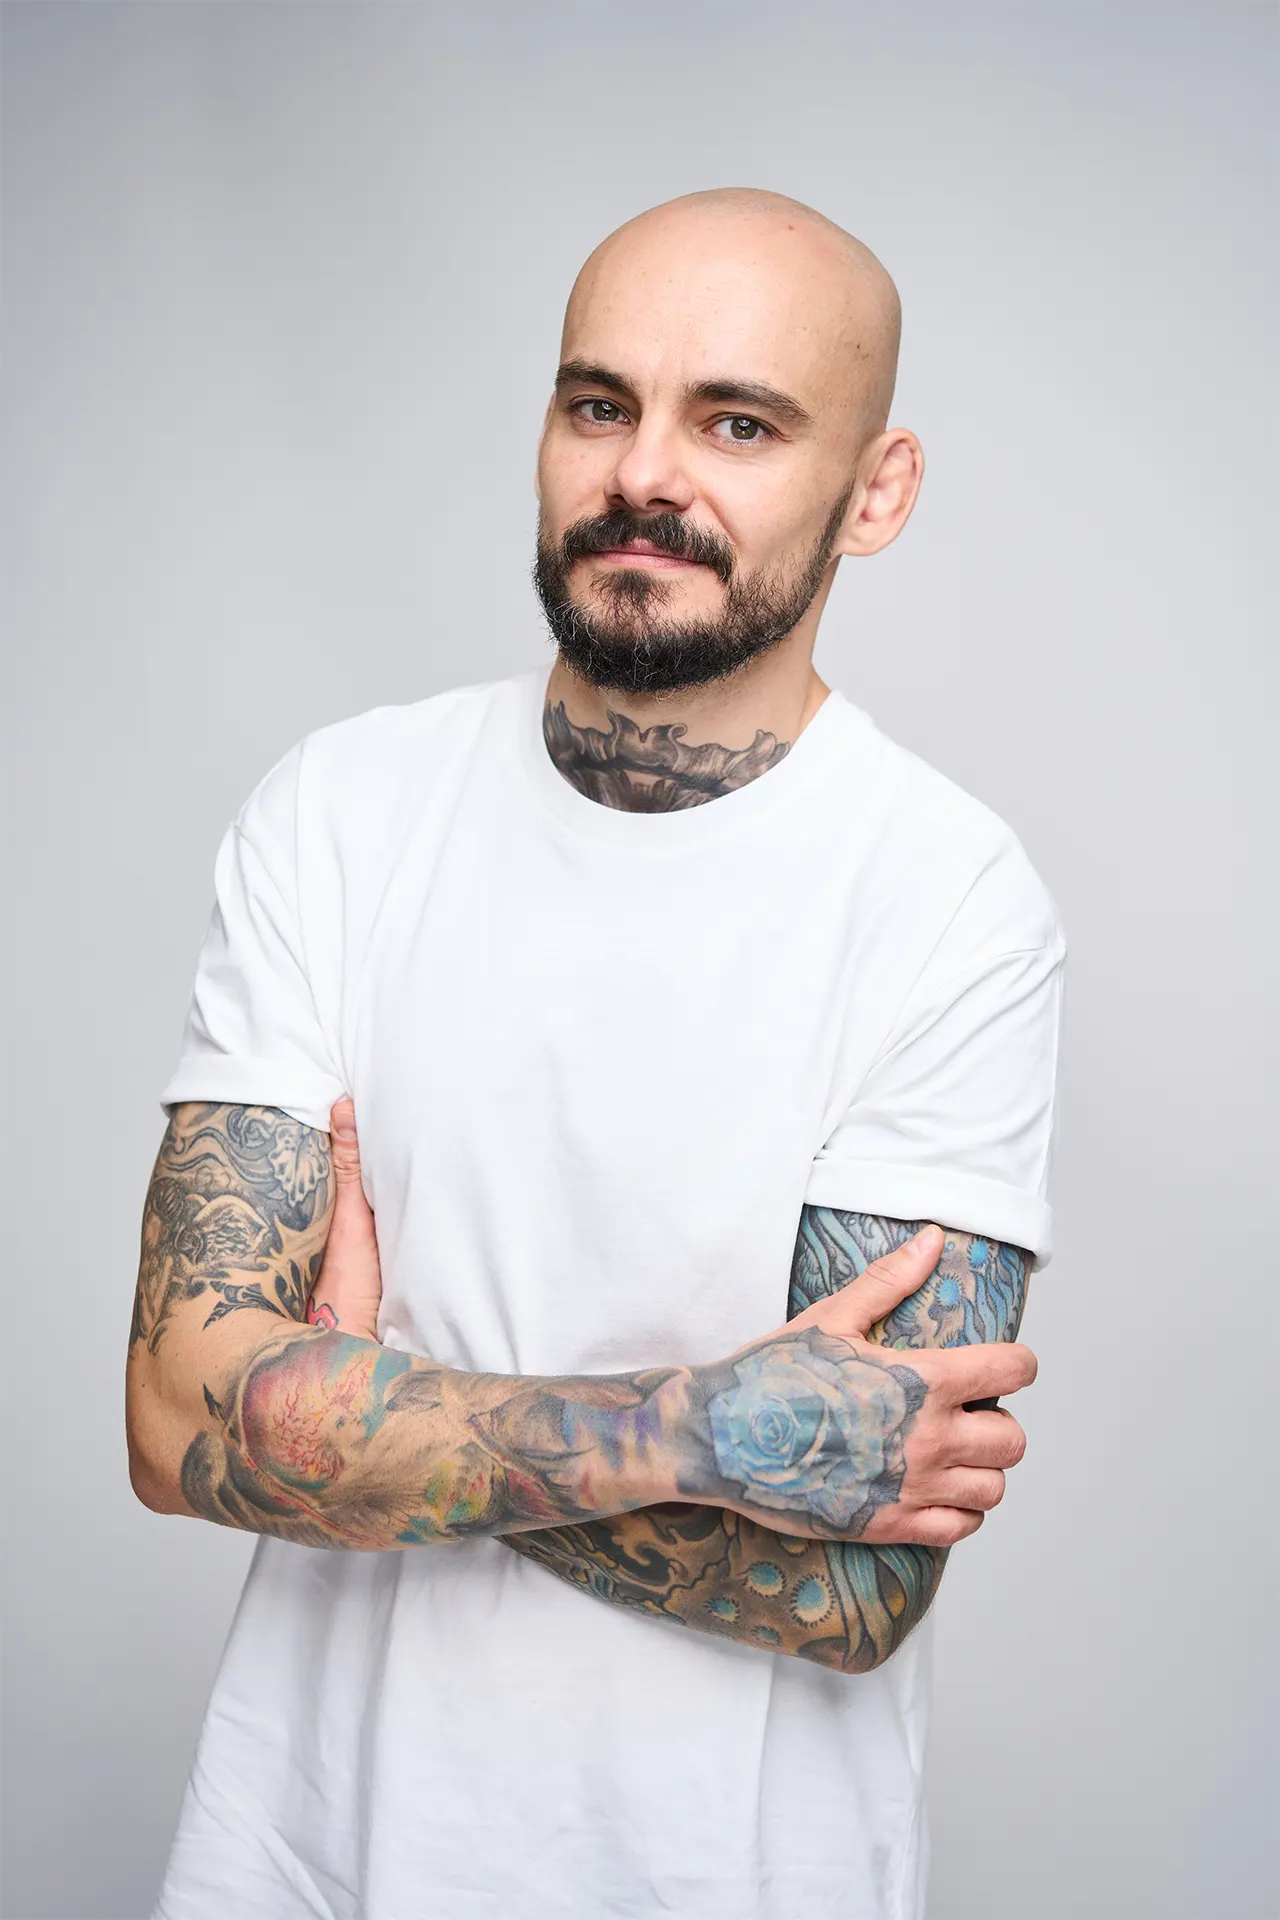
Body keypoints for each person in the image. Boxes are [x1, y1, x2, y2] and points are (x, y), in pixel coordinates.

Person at [127, 187, 1064, 1920]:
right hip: (307, 1857)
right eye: (598, 403)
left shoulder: (949, 899)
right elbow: (182, 1417)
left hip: (726, 1874)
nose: (645, 474)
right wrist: (706, 1434)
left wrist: (355, 1405)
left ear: (877, 492)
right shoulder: (340, 811)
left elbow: (856, 1588)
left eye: (738, 423)